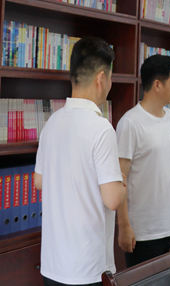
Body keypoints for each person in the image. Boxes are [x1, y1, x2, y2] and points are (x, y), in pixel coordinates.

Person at [34, 37, 125, 286]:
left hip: (53, 265)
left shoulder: (52, 123)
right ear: (101, 78)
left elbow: (39, 181)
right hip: (88, 268)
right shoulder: (101, 128)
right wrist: (122, 182)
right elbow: (113, 199)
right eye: (111, 77)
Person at [115, 55, 170, 266]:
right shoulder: (130, 123)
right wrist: (124, 226)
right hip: (144, 233)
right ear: (157, 84)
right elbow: (120, 177)